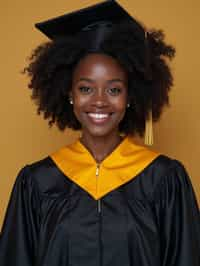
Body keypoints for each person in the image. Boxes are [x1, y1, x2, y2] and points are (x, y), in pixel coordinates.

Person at [0, 1, 199, 266]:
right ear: (70, 94)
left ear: (130, 96)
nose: (99, 101)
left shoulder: (163, 180)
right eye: (86, 88)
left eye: (114, 89)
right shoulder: (37, 182)